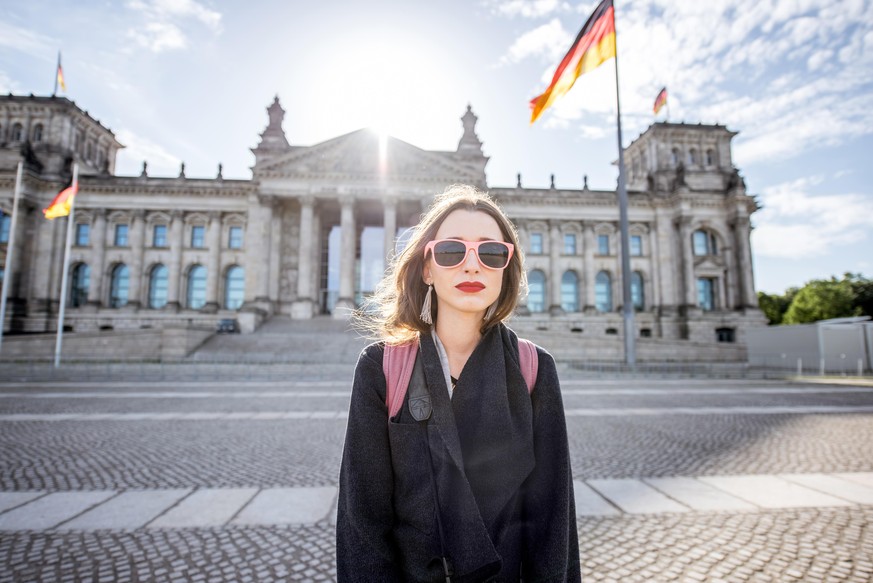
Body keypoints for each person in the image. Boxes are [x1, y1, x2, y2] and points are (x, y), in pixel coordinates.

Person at [336, 184, 580, 582]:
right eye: (452, 251)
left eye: (491, 252)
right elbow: (362, 526)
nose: (472, 266)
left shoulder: (535, 370)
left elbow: (553, 528)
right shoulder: (381, 368)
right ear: (427, 268)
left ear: (506, 268)